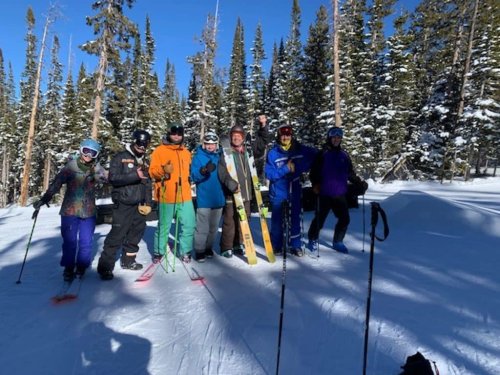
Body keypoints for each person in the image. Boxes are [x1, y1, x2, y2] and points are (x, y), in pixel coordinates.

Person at [33, 139, 108, 281]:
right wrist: (44, 199)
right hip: (70, 211)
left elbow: (111, 179)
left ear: (96, 155)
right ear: (81, 150)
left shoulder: (97, 168)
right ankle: (68, 268)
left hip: (89, 211)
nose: (88, 155)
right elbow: (57, 184)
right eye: (86, 151)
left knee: (86, 241)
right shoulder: (70, 167)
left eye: (92, 153)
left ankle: (81, 266)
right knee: (69, 241)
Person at [97, 130, 152, 280]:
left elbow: (147, 182)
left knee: (136, 233)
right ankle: (105, 267)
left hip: (139, 204)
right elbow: (113, 178)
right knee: (117, 234)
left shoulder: (145, 160)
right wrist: (135, 175)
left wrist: (148, 201)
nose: (142, 147)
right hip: (123, 203)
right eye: (140, 143)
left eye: (145, 144)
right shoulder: (120, 158)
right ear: (134, 142)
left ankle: (129, 261)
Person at [306, 126, 364, 254]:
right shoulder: (322, 154)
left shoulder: (344, 155)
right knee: (319, 219)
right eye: (334, 137)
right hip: (324, 192)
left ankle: (338, 241)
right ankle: (312, 239)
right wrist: (315, 184)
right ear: (329, 138)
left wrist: (359, 183)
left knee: (345, 219)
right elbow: (313, 173)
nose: (336, 139)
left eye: (339, 137)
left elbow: (350, 173)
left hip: (339, 193)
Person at [265, 124, 317, 256]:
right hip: (278, 191)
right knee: (277, 221)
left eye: (288, 135)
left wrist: (299, 167)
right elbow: (269, 174)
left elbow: (316, 156)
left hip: (294, 189)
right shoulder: (273, 153)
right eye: (283, 135)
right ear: (279, 136)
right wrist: (286, 169)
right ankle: (276, 245)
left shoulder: (299, 149)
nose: (285, 137)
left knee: (295, 218)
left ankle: (295, 245)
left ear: (291, 136)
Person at [220, 121, 270, 258]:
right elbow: (222, 172)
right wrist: (230, 184)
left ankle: (239, 243)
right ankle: (226, 247)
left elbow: (262, 142)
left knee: (244, 220)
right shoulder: (226, 153)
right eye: (234, 136)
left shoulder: (248, 151)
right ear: (231, 137)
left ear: (243, 137)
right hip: (232, 194)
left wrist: (263, 127)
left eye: (239, 135)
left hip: (246, 194)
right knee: (229, 221)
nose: (236, 138)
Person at [149, 123, 195, 263]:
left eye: (179, 133)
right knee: (164, 226)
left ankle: (185, 250)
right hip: (166, 195)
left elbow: (190, 172)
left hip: (185, 195)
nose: (176, 135)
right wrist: (163, 170)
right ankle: (159, 251)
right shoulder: (159, 151)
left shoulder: (186, 152)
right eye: (174, 132)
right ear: (169, 133)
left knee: (189, 224)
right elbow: (152, 171)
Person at [190, 131, 238, 262]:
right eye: (207, 144)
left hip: (218, 198)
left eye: (213, 144)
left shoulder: (221, 156)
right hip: (204, 198)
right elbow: (193, 176)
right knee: (202, 228)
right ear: (204, 144)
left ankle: (208, 247)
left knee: (213, 228)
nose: (210, 147)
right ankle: (199, 250)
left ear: (217, 145)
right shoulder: (198, 157)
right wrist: (203, 171)